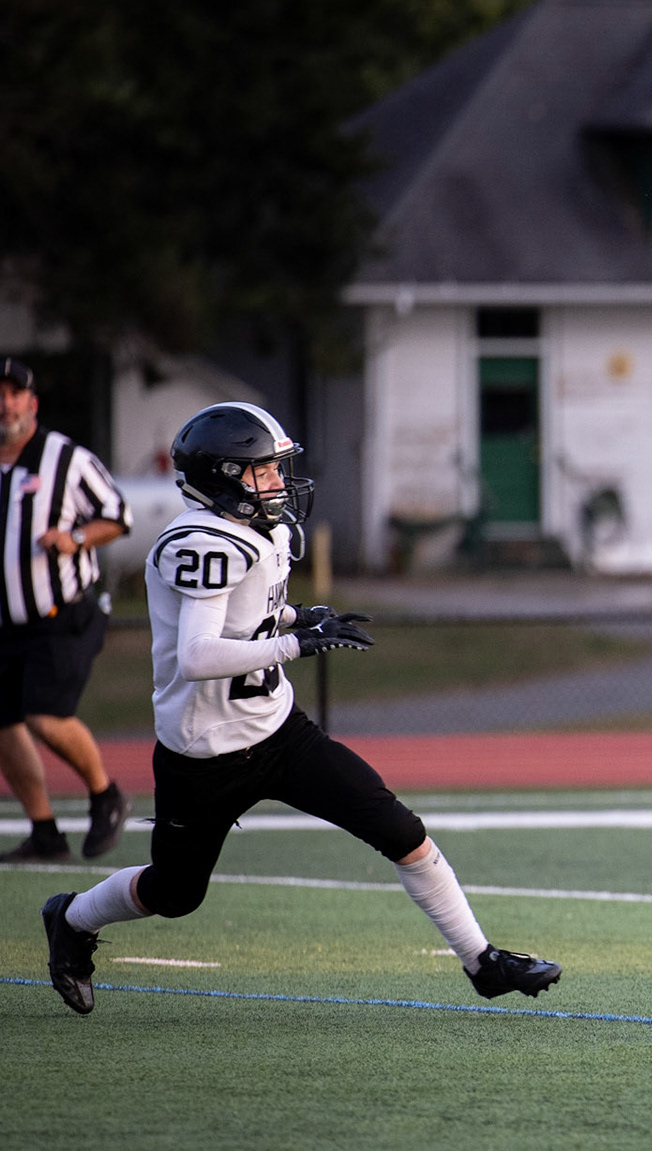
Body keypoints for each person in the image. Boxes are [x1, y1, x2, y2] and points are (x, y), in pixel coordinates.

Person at [41, 401, 561, 1015]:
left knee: (401, 831)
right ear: (223, 477)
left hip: (280, 732)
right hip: (205, 754)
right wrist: (297, 643)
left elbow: (248, 613)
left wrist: (296, 617)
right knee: (175, 893)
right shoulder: (201, 542)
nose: (278, 482)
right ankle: (71, 918)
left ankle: (482, 962)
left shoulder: (265, 533)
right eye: (262, 470)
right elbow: (198, 655)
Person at [0, 356, 133, 863]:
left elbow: (118, 516)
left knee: (45, 716)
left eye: (14, 394)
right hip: (5, 623)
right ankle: (44, 833)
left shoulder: (65, 458)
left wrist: (73, 538)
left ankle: (106, 795)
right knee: (4, 724)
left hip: (61, 614)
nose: (5, 404)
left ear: (32, 403)